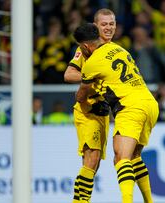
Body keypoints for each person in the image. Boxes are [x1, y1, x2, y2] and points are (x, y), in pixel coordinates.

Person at [74, 23, 158, 203]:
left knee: (121, 157)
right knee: (135, 156)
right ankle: (149, 200)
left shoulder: (92, 62)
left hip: (130, 108)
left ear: (85, 47)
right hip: (150, 103)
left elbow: (82, 95)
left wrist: (84, 91)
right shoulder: (118, 49)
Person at [63, 8, 115, 203]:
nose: (108, 28)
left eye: (111, 24)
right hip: (87, 111)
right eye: (104, 24)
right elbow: (68, 75)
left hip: (101, 112)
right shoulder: (84, 49)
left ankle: (80, 200)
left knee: (93, 164)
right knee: (91, 159)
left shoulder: (113, 50)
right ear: (95, 26)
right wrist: (93, 77)